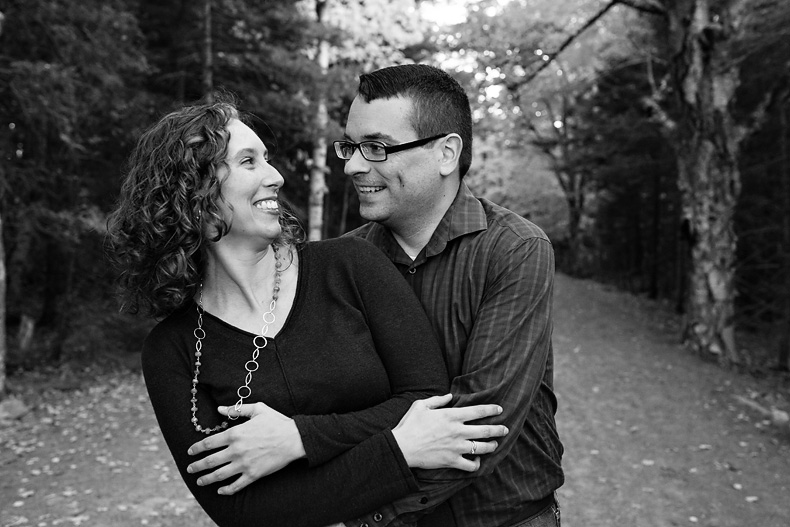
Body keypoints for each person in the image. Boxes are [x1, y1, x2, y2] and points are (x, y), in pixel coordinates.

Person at [105, 98, 509, 527]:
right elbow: (243, 512)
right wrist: (401, 447)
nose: (275, 176)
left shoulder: (351, 267)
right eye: (248, 161)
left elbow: (429, 402)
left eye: (268, 159)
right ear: (194, 193)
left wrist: (298, 440)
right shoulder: (174, 351)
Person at [336, 64, 565, 526]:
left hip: (503, 518)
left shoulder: (514, 249)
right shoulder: (343, 261)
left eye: (377, 147)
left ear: (446, 153)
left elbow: (481, 423)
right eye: (351, 146)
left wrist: (365, 513)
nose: (354, 165)